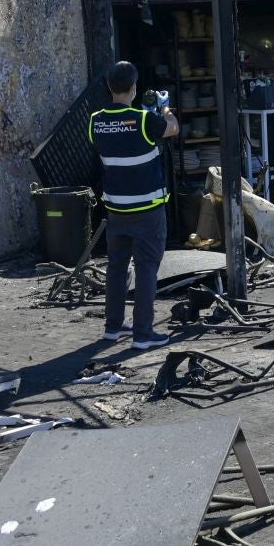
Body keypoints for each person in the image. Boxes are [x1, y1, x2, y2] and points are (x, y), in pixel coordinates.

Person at [89, 61, 179, 351]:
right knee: (146, 269)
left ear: (109, 87)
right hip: (148, 211)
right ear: (134, 87)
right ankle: (143, 335)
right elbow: (172, 129)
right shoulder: (144, 120)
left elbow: (117, 139)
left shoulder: (96, 121)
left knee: (116, 268)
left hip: (116, 211)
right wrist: (164, 109)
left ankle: (113, 328)